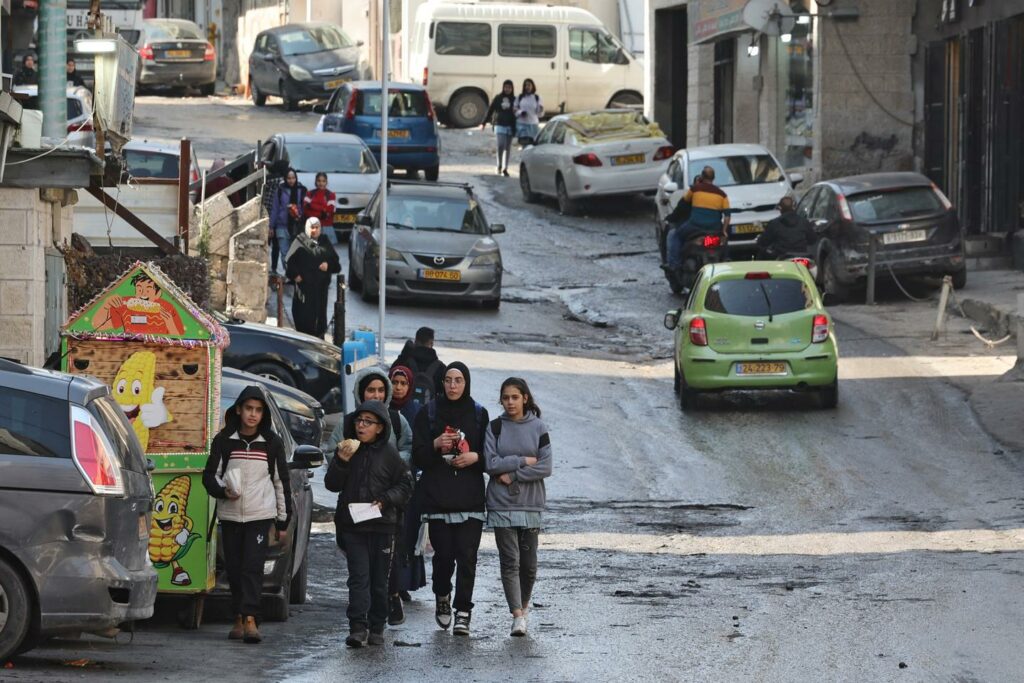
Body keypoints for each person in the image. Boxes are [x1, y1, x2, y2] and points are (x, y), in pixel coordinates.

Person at [202, 385, 292, 644]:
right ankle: (239, 617)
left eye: (258, 410)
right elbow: (210, 477)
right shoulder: (224, 441)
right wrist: (223, 491)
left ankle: (251, 618)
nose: (253, 415)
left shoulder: (272, 444)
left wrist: (282, 520)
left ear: (264, 414)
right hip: (230, 517)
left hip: (260, 516)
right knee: (235, 568)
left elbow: (280, 483)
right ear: (239, 410)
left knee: (253, 567)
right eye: (249, 409)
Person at [324, 400, 413, 648]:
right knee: (358, 578)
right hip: (353, 526)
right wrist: (340, 461)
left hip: (383, 526)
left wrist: (385, 500)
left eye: (368, 422)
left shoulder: (390, 454)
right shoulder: (349, 450)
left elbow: (406, 486)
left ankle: (377, 626)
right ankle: (357, 627)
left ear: (380, 428)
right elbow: (332, 484)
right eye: (358, 420)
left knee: (379, 580)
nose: (361, 426)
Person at [412, 362, 489, 636]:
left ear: (466, 382)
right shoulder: (428, 413)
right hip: (439, 498)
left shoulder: (479, 414)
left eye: (458, 380)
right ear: (442, 383)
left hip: (470, 499)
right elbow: (417, 456)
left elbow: (490, 455)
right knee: (444, 557)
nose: (453, 385)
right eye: (448, 380)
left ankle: (463, 611)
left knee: (468, 557)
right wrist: (435, 445)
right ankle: (442, 595)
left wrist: (475, 457)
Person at [484, 377, 552, 637]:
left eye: (514, 397)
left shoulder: (538, 427)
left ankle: (523, 607)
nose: (510, 402)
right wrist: (523, 460)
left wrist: (513, 474)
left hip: (531, 503)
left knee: (529, 564)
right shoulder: (495, 427)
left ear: (525, 398)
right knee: (510, 560)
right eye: (505, 397)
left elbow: (546, 466)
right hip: (501, 503)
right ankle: (517, 616)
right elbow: (490, 463)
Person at [666, 166, 731, 274]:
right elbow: (727, 216)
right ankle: (726, 258)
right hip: (714, 228)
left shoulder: (695, 189)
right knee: (724, 239)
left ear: (702, 176)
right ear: (714, 178)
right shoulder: (722, 194)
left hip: (695, 226)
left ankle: (674, 264)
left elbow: (685, 201)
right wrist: (724, 230)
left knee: (676, 235)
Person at [285, 217, 340, 337]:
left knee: (319, 321)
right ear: (307, 228)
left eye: (317, 227)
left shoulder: (325, 241)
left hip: (320, 291)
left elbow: (336, 265)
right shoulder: (299, 240)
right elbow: (289, 261)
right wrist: (295, 275)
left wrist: (328, 265)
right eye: (312, 227)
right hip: (304, 290)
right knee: (303, 319)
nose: (314, 230)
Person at [91, 271, 184, 336]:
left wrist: (169, 323)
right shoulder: (125, 306)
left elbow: (183, 339)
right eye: (139, 289)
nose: (143, 293)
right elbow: (97, 326)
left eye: (148, 289)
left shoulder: (168, 307)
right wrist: (106, 306)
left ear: (158, 294)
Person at [394, 326, 446, 403]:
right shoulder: (440, 367)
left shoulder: (405, 362)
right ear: (431, 343)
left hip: (406, 410)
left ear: (415, 341)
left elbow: (391, 377)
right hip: (430, 412)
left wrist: (404, 354)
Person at [270, 168, 307, 270]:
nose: (291, 180)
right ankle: (290, 274)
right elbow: (275, 208)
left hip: (297, 226)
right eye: (289, 178)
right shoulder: (280, 190)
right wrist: (271, 227)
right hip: (281, 226)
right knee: (284, 252)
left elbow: (305, 207)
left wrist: (299, 214)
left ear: (296, 178)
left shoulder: (302, 190)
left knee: (296, 252)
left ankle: (295, 275)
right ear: (285, 179)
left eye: (293, 178)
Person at [482, 79, 517, 176]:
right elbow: (491, 109)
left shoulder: (515, 99)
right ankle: (499, 165)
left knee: (507, 147)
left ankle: (505, 168)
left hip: (510, 126)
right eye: (506, 87)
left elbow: (517, 112)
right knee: (501, 145)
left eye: (509, 87)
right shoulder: (498, 98)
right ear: (503, 87)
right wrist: (484, 122)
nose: (507, 89)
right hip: (499, 124)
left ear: (512, 88)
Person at [303, 172, 337, 245]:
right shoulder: (309, 194)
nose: (321, 183)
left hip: (326, 227)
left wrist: (312, 206)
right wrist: (322, 211)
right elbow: (306, 211)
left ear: (326, 182)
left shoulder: (331, 195)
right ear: (315, 182)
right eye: (319, 181)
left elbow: (330, 211)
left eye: (323, 181)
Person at [514, 78, 543, 146]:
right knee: (525, 145)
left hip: (533, 125)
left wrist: (541, 109)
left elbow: (539, 114)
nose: (527, 87)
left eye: (529, 85)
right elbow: (514, 109)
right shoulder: (520, 97)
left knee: (532, 146)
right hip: (522, 125)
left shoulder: (537, 97)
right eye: (526, 85)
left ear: (532, 86)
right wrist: (520, 112)